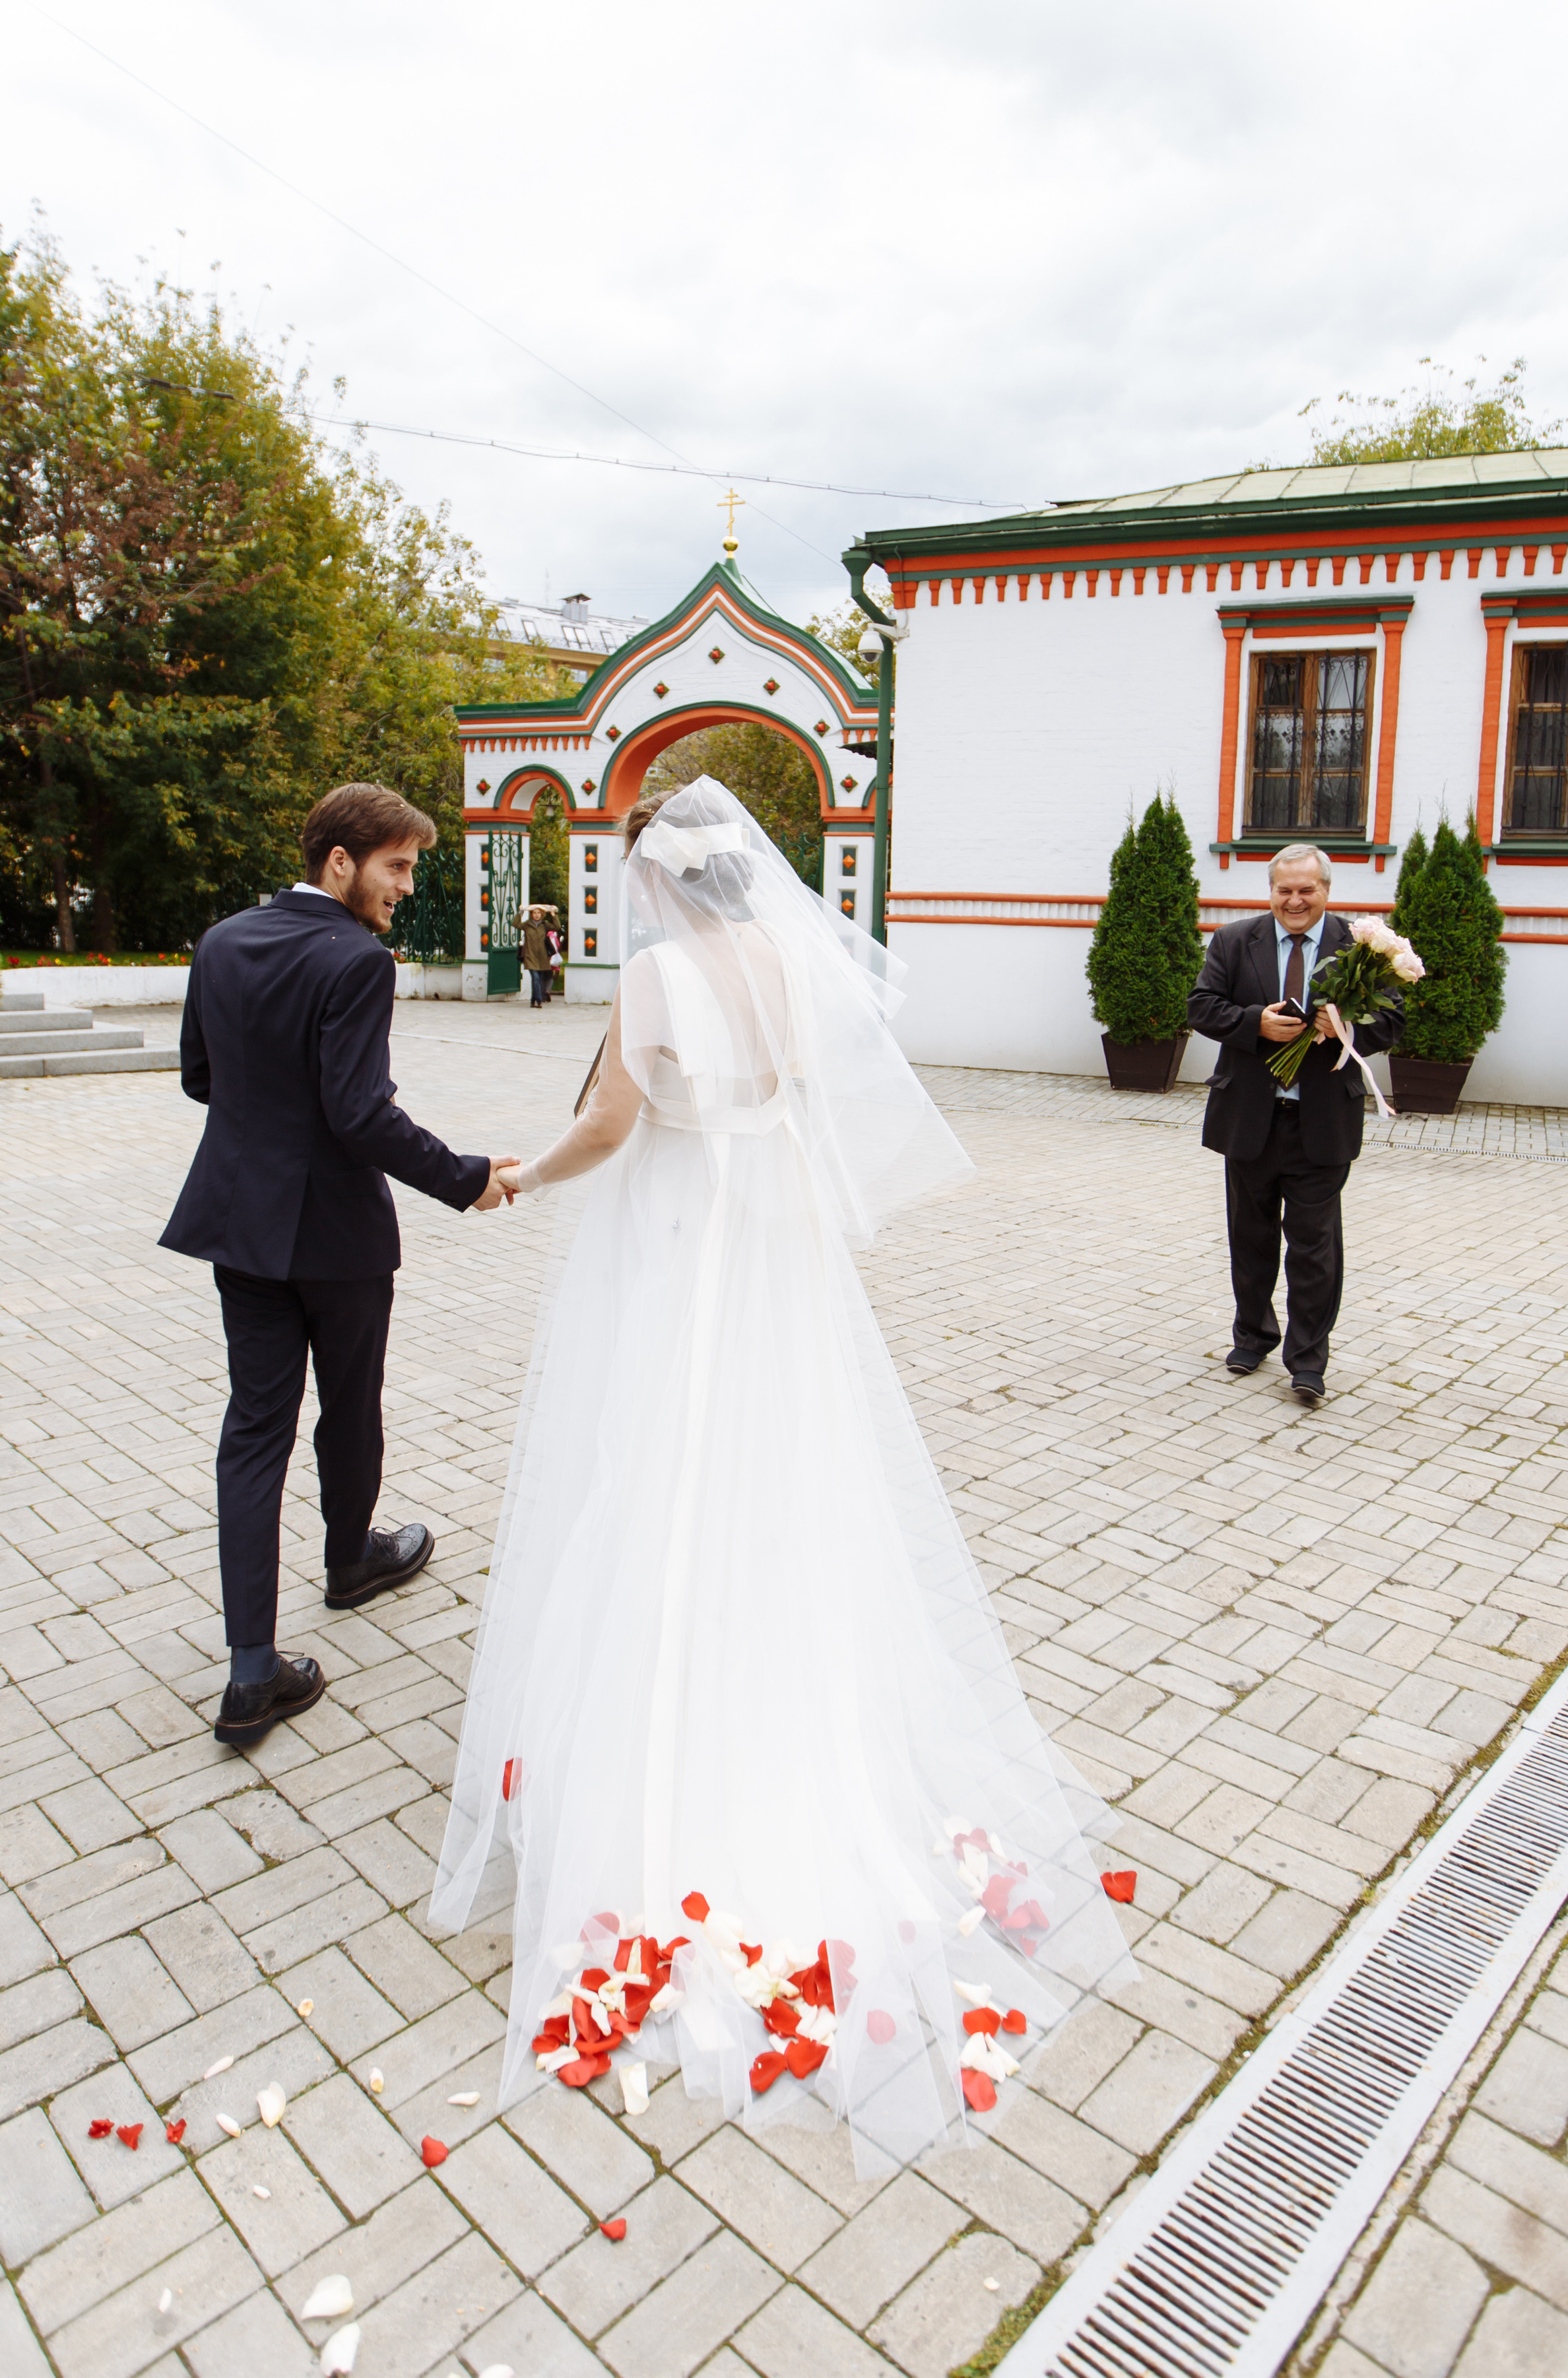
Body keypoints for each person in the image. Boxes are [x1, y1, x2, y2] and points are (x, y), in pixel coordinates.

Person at [431, 777, 1134, 2172]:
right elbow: (804, 1111)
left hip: (678, 1247)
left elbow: (614, 1129)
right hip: (771, 1250)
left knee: (655, 1469)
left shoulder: (651, 980)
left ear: (662, 885)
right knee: (780, 1469)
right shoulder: (792, 970)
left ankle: (654, 1749)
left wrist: (520, 1177)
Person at [160, 782, 519, 1750]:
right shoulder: (357, 961)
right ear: (340, 862)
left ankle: (249, 1674)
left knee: (253, 1432)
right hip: (336, 1238)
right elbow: (360, 1114)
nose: (405, 887)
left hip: (240, 1223)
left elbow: (202, 1076)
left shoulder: (223, 940)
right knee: (350, 1405)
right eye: (397, 868)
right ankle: (352, 1561)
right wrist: (467, 1178)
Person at [1188, 841, 1402, 1404]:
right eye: (1285, 890)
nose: (1295, 900)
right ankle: (1252, 1335)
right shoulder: (1236, 941)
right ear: (1272, 891)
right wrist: (1252, 1022)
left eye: (1307, 889)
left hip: (1322, 1121)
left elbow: (1393, 1019)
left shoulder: (1360, 947)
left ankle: (1308, 1360)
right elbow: (1202, 1006)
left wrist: (1346, 1030)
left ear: (1327, 891)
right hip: (1251, 1118)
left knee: (1314, 1249)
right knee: (1250, 1237)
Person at [518, 903, 554, 1008]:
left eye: (539, 913)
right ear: (531, 914)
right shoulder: (527, 925)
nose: (537, 915)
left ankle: (533, 1001)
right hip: (530, 956)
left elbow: (557, 926)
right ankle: (539, 1000)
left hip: (542, 957)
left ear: (542, 914)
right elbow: (515, 924)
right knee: (535, 978)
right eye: (534, 913)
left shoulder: (545, 925)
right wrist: (520, 913)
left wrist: (553, 914)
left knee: (538, 979)